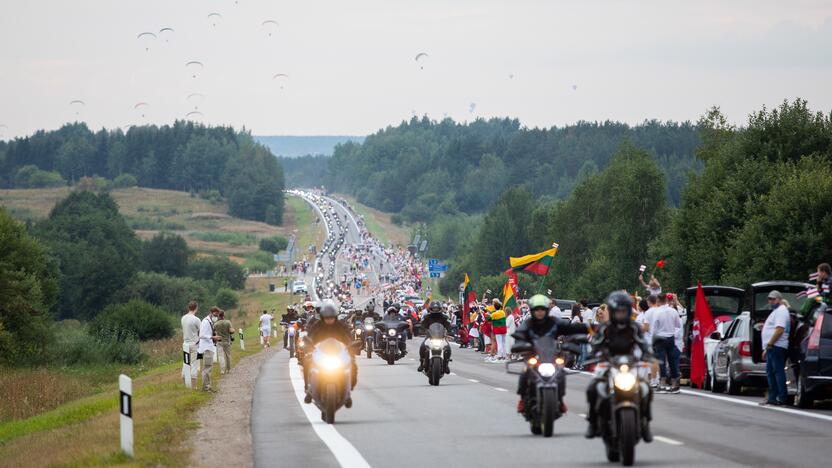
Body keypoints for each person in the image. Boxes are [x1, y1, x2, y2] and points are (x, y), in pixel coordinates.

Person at [584, 291, 653, 442]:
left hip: (630, 364)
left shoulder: (634, 327)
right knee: (593, 388)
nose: (621, 314)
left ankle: (645, 422)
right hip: (608, 363)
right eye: (618, 311)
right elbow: (596, 343)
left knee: (646, 388)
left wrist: (648, 354)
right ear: (613, 311)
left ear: (628, 311)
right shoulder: (605, 328)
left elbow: (643, 343)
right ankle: (593, 422)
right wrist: (592, 354)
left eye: (624, 310)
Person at [513, 294, 588, 414]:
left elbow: (571, 327)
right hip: (534, 357)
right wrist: (519, 344)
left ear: (547, 310)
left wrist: (592, 328)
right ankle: (522, 400)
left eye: (542, 309)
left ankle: (560, 400)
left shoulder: (554, 322)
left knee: (560, 374)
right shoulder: (528, 323)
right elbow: (520, 334)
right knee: (525, 374)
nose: (539, 312)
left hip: (551, 356)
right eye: (537, 309)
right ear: (532, 311)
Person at [303, 299, 357, 404]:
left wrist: (351, 345)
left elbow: (348, 337)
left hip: (338, 354)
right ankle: (308, 390)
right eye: (327, 318)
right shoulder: (317, 325)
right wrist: (309, 344)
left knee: (353, 363)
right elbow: (310, 336)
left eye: (331, 318)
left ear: (335, 317)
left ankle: (348, 390)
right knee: (307, 361)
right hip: (320, 353)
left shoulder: (341, 325)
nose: (329, 320)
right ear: (323, 318)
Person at [644, 294, 682, 393]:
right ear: (666, 300)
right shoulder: (673, 311)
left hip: (660, 338)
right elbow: (678, 324)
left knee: (661, 361)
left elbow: (654, 328)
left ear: (657, 301)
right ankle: (674, 383)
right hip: (670, 337)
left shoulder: (657, 312)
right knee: (672, 360)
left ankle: (663, 383)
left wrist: (653, 341)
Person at [760, 290, 790, 406]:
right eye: (769, 299)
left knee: (777, 372)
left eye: (773, 299)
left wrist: (770, 344)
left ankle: (781, 397)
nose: (771, 301)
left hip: (777, 346)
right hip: (773, 346)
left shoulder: (781, 311)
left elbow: (779, 329)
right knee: (771, 373)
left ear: (779, 299)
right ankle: (772, 397)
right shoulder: (776, 311)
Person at [417, 301, 452, 374]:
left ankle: (446, 364)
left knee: (448, 347)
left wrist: (450, 332)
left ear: (440, 308)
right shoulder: (427, 317)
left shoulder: (444, 317)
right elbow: (422, 325)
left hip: (441, 337)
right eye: (434, 308)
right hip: (430, 337)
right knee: (423, 346)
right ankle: (421, 363)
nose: (435, 310)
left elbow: (448, 325)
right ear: (431, 309)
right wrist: (421, 330)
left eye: (437, 308)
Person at [198, 306, 222, 392]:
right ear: (211, 313)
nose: (216, 316)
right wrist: (213, 337)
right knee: (207, 368)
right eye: (215, 314)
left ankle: (208, 386)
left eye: (217, 315)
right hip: (206, 347)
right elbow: (201, 335)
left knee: (209, 368)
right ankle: (205, 388)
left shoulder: (210, 321)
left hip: (209, 347)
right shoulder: (205, 322)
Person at [181, 301, 201, 388]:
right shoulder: (196, 319)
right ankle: (194, 386)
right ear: (196, 308)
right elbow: (201, 332)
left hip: (185, 343)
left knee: (185, 363)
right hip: (194, 343)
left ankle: (185, 383)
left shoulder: (183, 318)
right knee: (194, 364)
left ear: (188, 308)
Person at [214, 309, 234, 374]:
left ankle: (222, 370)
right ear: (224, 315)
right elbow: (231, 331)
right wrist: (233, 330)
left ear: (218, 316)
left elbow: (214, 332)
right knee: (228, 355)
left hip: (219, 341)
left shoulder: (216, 324)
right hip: (227, 341)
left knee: (220, 356)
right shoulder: (228, 322)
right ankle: (229, 369)